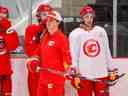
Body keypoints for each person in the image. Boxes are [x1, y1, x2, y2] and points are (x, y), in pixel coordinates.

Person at [69, 5, 117, 96]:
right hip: (84, 75)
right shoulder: (75, 34)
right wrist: (75, 74)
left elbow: (107, 51)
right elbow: (73, 56)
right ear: (82, 18)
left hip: (101, 74)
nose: (89, 19)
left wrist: (111, 69)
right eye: (86, 17)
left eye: (91, 17)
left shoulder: (101, 31)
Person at [27, 10, 71, 96]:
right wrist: (34, 61)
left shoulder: (62, 38)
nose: (48, 22)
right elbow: (38, 53)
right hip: (43, 79)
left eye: (51, 20)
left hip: (55, 80)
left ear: (58, 22)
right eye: (47, 20)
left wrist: (68, 69)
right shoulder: (45, 37)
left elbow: (66, 57)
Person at [24, 4, 53, 96]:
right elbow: (29, 51)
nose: (47, 17)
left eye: (49, 15)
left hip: (50, 69)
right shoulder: (31, 29)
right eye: (44, 14)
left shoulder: (54, 30)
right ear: (38, 16)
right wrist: (40, 33)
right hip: (35, 69)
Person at [0, 5, 19, 96]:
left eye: (4, 15)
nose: (2, 18)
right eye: (0, 16)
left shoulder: (10, 30)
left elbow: (13, 46)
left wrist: (7, 29)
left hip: (5, 71)